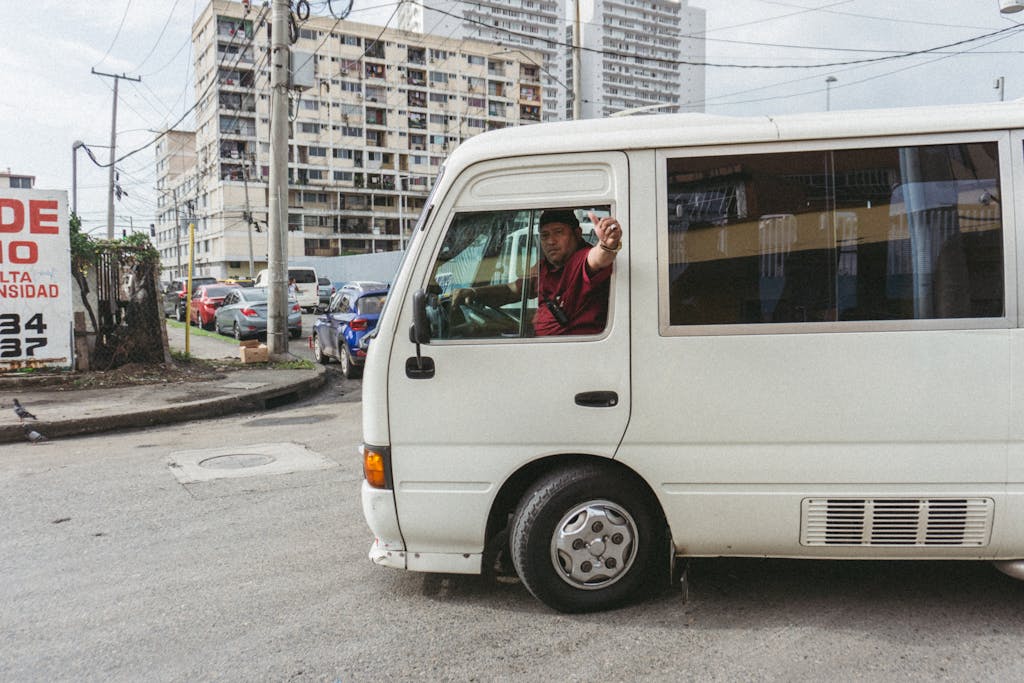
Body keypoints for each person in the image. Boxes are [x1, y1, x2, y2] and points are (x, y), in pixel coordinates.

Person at [455, 208, 623, 335]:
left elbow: (598, 259)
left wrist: (607, 245)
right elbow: (514, 290)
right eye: (544, 235)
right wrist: (473, 292)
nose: (550, 241)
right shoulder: (545, 267)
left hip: (573, 355)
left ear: (577, 234)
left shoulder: (581, 259)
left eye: (558, 232)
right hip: (543, 348)